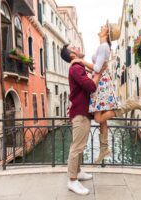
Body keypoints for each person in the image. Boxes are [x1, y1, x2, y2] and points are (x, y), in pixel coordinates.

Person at [70, 22, 141, 164]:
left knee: (98, 119)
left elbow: (98, 68)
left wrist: (81, 61)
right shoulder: (102, 46)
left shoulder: (104, 47)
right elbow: (97, 68)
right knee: (101, 119)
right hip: (101, 82)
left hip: (102, 84)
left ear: (107, 33)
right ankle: (104, 149)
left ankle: (128, 105)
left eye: (104, 27)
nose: (101, 27)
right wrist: (86, 69)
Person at [61, 44, 107, 195]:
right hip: (80, 113)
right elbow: (91, 86)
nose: (77, 46)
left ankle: (78, 171)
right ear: (72, 54)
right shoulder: (75, 69)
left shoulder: (79, 67)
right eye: (74, 47)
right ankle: (72, 180)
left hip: (83, 112)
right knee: (76, 147)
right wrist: (98, 74)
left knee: (80, 145)